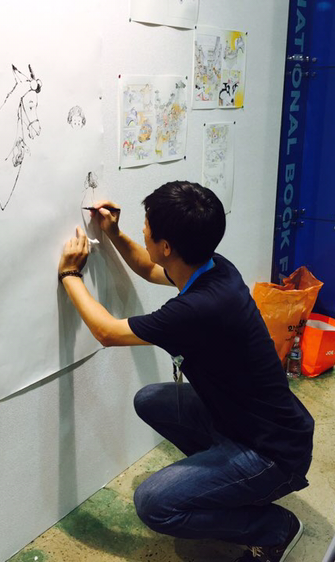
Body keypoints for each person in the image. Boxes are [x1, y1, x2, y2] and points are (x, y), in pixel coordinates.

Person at [58, 181, 314, 562]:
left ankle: (275, 527)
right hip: (250, 424)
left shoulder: (198, 310)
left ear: (167, 246)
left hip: (274, 453)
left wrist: (69, 274)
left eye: (147, 225)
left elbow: (106, 332)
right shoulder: (213, 267)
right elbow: (149, 269)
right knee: (150, 400)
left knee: (154, 504)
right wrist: (113, 233)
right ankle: (229, 484)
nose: (143, 228)